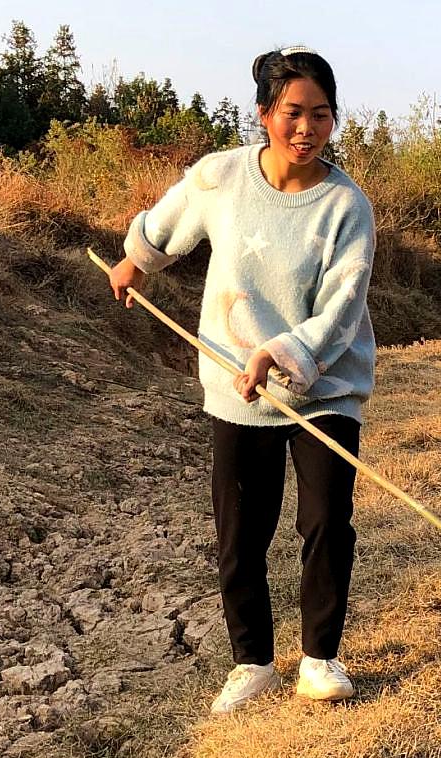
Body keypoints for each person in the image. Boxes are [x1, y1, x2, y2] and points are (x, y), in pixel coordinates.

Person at [107, 46, 376, 715]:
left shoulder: (348, 206)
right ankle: (252, 662)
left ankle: (319, 659)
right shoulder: (221, 177)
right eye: (293, 113)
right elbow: (169, 221)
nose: (306, 128)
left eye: (321, 114)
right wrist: (135, 263)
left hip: (326, 387)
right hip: (238, 391)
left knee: (325, 522)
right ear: (264, 114)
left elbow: (343, 307)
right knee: (240, 532)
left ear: (334, 120)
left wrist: (281, 353)